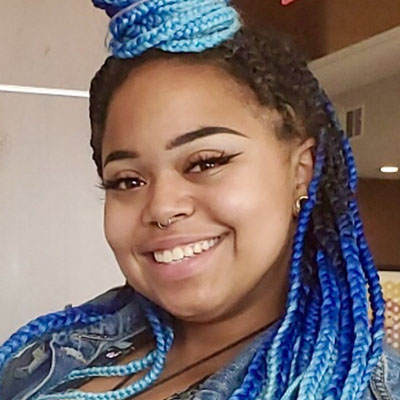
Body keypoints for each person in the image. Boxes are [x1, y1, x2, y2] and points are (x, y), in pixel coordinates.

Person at [1, 0, 399, 399]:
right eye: (127, 180)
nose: (162, 207)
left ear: (300, 171)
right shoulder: (53, 353)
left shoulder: (357, 388)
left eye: (206, 162)